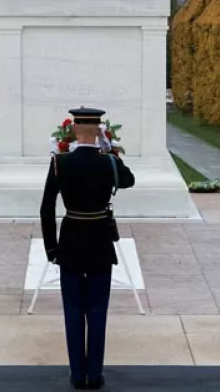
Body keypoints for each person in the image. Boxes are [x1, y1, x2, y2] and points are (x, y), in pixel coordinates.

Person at [40, 107, 135, 390]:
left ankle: (77, 375)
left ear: (72, 131)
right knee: (97, 309)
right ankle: (95, 375)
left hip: (69, 243)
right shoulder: (108, 163)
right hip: (99, 243)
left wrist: (51, 248)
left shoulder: (60, 162)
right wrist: (113, 150)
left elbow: (47, 209)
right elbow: (128, 180)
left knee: (72, 310)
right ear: (99, 131)